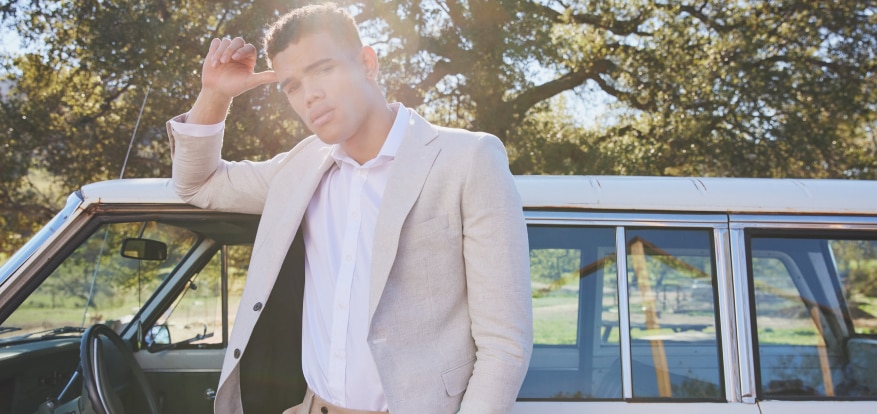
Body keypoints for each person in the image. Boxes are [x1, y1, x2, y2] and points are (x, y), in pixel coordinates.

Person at [167, 3, 532, 414]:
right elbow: (197, 183)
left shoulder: (467, 159)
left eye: (323, 69)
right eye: (292, 86)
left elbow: (504, 344)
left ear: (367, 63)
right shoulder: (300, 168)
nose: (310, 95)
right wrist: (214, 94)